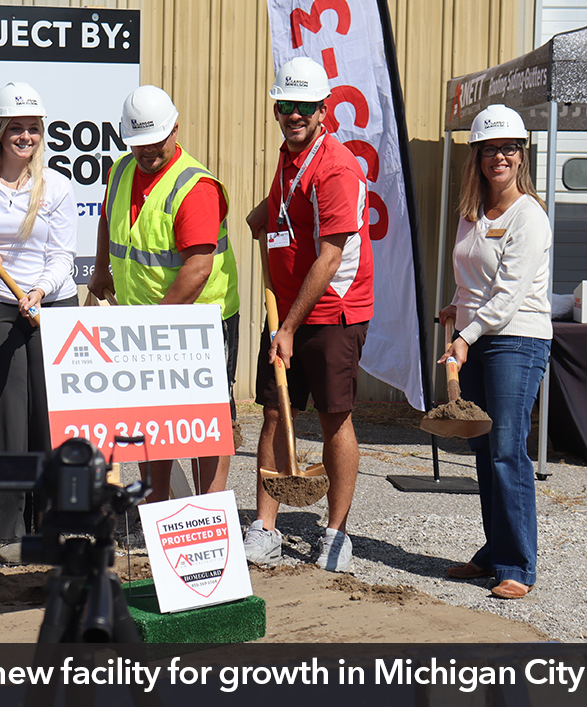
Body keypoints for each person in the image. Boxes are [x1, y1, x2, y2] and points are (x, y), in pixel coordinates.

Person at [243, 57, 373, 573]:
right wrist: (260, 211)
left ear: (323, 110)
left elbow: (330, 255)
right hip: (288, 311)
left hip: (332, 313)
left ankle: (337, 532)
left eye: (303, 106)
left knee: (332, 417)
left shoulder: (338, 167)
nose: (293, 114)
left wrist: (290, 328)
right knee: (275, 413)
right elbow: (285, 205)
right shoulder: (288, 156)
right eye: (285, 105)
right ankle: (265, 527)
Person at [88, 85, 241, 504]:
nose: (147, 152)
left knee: (204, 419)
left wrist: (155, 322)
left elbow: (199, 266)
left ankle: (208, 509)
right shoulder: (121, 171)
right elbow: (107, 219)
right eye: (138, 144)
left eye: (155, 142)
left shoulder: (194, 187)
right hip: (147, 317)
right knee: (151, 416)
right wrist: (101, 270)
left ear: (175, 129)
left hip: (201, 317)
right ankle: (156, 506)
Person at [439, 105, 551, 600]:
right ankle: (495, 550)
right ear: (477, 157)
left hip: (516, 340)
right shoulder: (473, 213)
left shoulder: (530, 216)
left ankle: (518, 565)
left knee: (507, 449)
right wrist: (455, 311)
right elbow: (476, 282)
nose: (499, 157)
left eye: (508, 148)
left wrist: (466, 336)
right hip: (481, 337)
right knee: (483, 449)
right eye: (490, 149)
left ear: (521, 155)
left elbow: (507, 298)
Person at [0, 82, 78, 564]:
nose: (26, 137)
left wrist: (39, 292)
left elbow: (62, 255)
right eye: (16, 128)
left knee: (53, 422)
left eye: (33, 128)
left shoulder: (56, 186)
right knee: (7, 420)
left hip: (50, 305)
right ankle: (4, 534)